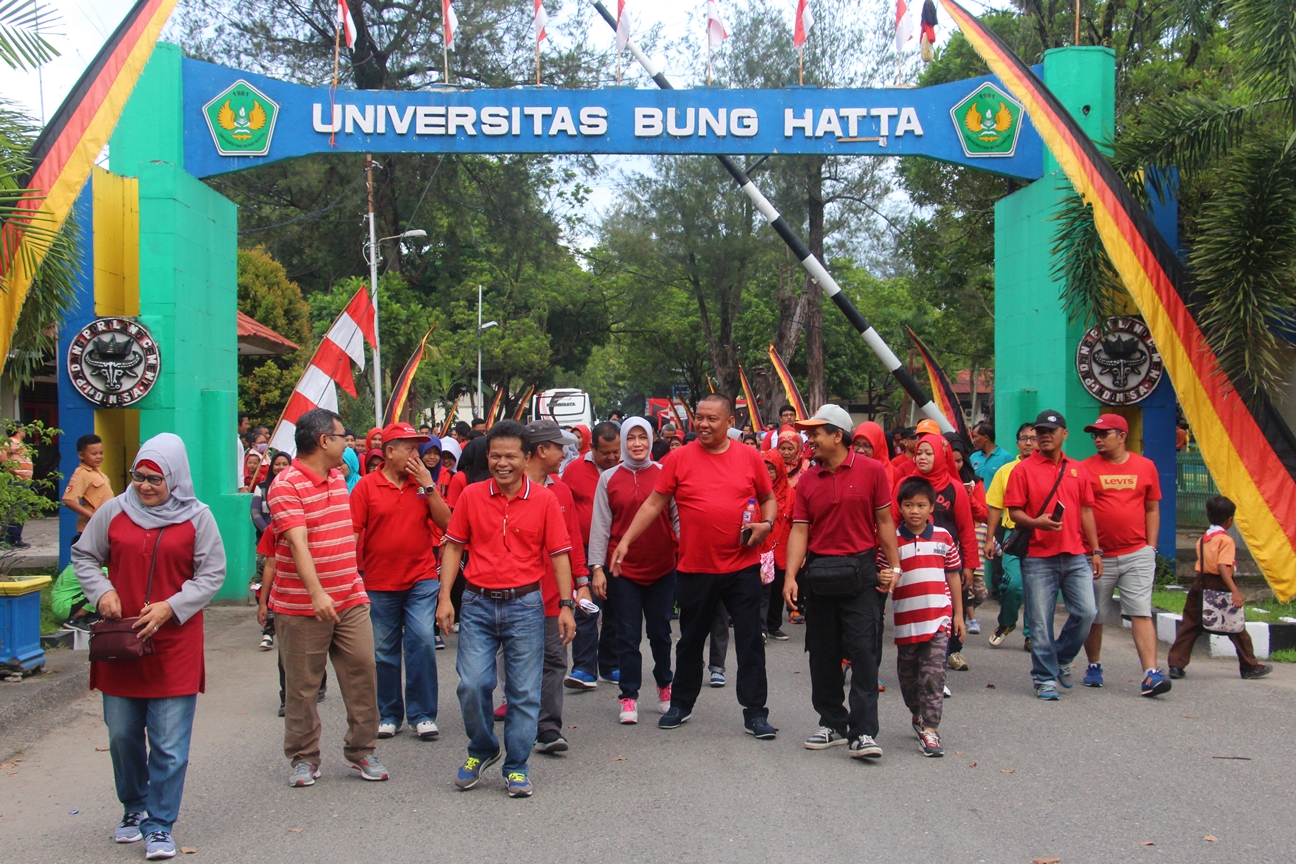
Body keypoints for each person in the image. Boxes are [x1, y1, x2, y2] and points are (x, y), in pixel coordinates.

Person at [72, 434, 226, 860]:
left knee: (169, 743)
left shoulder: (198, 518)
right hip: (122, 641)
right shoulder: (113, 511)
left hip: (174, 642)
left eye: (155, 478)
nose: (144, 485)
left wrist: (171, 607)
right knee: (122, 735)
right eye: (139, 476)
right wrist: (101, 591)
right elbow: (84, 556)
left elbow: (212, 574)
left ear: (175, 478)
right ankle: (134, 808)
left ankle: (160, 824)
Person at [611, 394, 778, 739]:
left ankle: (755, 712)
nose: (703, 424)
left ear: (730, 423)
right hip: (695, 567)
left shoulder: (749, 456)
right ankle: (681, 704)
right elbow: (655, 503)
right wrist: (626, 540)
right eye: (699, 417)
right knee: (689, 641)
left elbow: (768, 499)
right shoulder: (678, 458)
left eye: (712, 419)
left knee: (750, 642)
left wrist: (768, 523)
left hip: (741, 566)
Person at [436, 420, 577, 797]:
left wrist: (565, 604)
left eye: (510, 456)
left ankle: (516, 765)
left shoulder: (545, 500)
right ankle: (482, 748)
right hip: (478, 604)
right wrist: (444, 596)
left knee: (525, 692)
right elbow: (453, 546)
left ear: (526, 458)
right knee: (472, 684)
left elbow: (560, 554)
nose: (502, 463)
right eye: (495, 455)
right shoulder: (472, 496)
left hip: (526, 606)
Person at [268, 408, 387, 787]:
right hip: (302, 606)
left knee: (363, 671)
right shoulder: (285, 486)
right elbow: (297, 544)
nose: (347, 443)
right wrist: (317, 592)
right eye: (342, 437)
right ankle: (304, 758)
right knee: (303, 687)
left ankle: (362, 749)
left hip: (350, 597)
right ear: (323, 441)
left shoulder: (338, 477)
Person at [782, 405, 901, 759]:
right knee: (822, 652)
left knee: (864, 652)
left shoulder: (873, 471)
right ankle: (832, 722)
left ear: (838, 435)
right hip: (818, 574)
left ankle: (863, 732)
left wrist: (894, 566)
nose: (809, 438)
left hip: (861, 573)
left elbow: (883, 522)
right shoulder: (806, 479)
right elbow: (800, 529)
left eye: (816, 432)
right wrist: (790, 576)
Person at [351, 422, 451, 742]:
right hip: (379, 581)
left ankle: (422, 714)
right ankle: (390, 713)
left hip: (421, 577)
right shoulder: (366, 486)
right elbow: (353, 533)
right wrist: (352, 575)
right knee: (383, 651)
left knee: (422, 639)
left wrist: (429, 486)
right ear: (389, 451)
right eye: (409, 447)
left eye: (417, 447)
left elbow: (447, 523)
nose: (416, 453)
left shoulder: (422, 484)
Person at [1004, 410, 1101, 701]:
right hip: (1037, 556)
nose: (1044, 436)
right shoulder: (1022, 470)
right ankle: (1044, 677)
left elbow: (1086, 511)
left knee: (1087, 612)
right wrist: (1037, 523)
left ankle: (1059, 659)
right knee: (1040, 621)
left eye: (1051, 431)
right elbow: (1014, 511)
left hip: (1075, 554)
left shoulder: (1077, 469)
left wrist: (1095, 550)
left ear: (1064, 434)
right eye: (1040, 431)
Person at [588, 417, 678, 724]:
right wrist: (597, 568)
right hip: (622, 570)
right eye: (631, 438)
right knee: (626, 635)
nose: (637, 444)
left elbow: (677, 519)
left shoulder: (666, 474)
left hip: (663, 567)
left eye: (643, 437)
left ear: (652, 440)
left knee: (660, 633)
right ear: (623, 442)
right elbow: (600, 526)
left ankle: (665, 685)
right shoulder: (609, 478)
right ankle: (628, 696)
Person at [1078, 414, 1170, 696]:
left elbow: (1152, 508)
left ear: (1122, 436)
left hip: (1137, 553)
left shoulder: (1146, 467)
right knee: (1095, 614)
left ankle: (1150, 673)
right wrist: (1090, 549)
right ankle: (1094, 665)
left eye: (1104, 434)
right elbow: (1083, 510)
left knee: (1141, 611)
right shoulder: (1084, 469)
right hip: (1097, 556)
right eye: (1095, 434)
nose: (1097, 439)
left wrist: (1150, 548)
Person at [520, 419, 589, 752]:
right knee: (520, 662)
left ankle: (548, 728)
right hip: (514, 595)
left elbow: (573, 541)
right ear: (541, 450)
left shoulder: (561, 490)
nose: (565, 453)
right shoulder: (509, 487)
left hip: (553, 597)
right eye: (559, 447)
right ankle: (521, 724)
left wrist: (581, 583)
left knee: (555, 660)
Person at [889, 476, 964, 757]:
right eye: (909, 505)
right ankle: (916, 713)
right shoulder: (892, 541)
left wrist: (957, 616)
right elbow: (885, 577)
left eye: (921, 505)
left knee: (933, 676)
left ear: (932, 506)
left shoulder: (944, 538)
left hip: (938, 619)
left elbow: (953, 575)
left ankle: (931, 729)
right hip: (907, 622)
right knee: (908, 677)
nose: (915, 511)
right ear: (900, 507)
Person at [1167, 496, 1272, 681]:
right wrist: (1235, 591)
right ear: (1229, 520)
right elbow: (1223, 566)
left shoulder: (1203, 539)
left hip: (1200, 582)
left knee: (1190, 624)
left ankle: (1176, 664)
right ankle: (1249, 666)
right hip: (1220, 584)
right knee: (1236, 626)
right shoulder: (1226, 541)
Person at [561, 422, 623, 688]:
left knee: (616, 608)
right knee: (587, 607)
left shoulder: (627, 468)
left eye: (615, 452)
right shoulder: (574, 470)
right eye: (605, 452)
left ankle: (611, 665)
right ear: (592, 448)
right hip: (584, 549)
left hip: (618, 549)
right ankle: (584, 668)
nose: (611, 458)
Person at [911, 434, 979, 672]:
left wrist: (969, 564)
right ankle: (919, 659)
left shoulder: (955, 489)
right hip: (914, 561)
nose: (922, 458)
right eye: (919, 453)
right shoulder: (908, 485)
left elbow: (966, 529)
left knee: (947, 609)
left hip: (946, 563)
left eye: (929, 453)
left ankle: (951, 652)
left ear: (941, 456)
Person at [984, 423, 1036, 650]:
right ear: (1017, 443)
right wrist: (989, 540)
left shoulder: (1048, 470)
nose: (1029, 443)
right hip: (1013, 536)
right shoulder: (1006, 471)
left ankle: (1031, 634)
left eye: (1033, 438)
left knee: (1036, 588)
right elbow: (994, 507)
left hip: (1041, 536)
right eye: (1024, 438)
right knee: (1013, 584)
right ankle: (1006, 624)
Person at [759, 449, 793, 641]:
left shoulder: (791, 494)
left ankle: (774, 625)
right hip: (762, 548)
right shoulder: (755, 492)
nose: (768, 473)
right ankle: (761, 627)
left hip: (783, 548)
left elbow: (797, 523)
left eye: (772, 469)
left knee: (779, 588)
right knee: (762, 590)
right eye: (764, 469)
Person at [62, 433, 112, 544]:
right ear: (81, 455)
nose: (99, 457)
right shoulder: (82, 474)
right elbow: (68, 500)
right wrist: (93, 516)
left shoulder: (97, 472)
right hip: (90, 529)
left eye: (101, 453)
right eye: (94, 454)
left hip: (104, 526)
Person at [251, 451, 292, 539]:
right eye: (277, 464)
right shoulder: (262, 487)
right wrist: (268, 532)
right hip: (265, 538)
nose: (281, 467)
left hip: (289, 538)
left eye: (285, 464)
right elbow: (255, 513)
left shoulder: (295, 487)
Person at [969, 422, 1013, 489]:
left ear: (985, 437)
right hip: (977, 499)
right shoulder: (973, 458)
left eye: (975, 437)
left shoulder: (1007, 458)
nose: (973, 441)